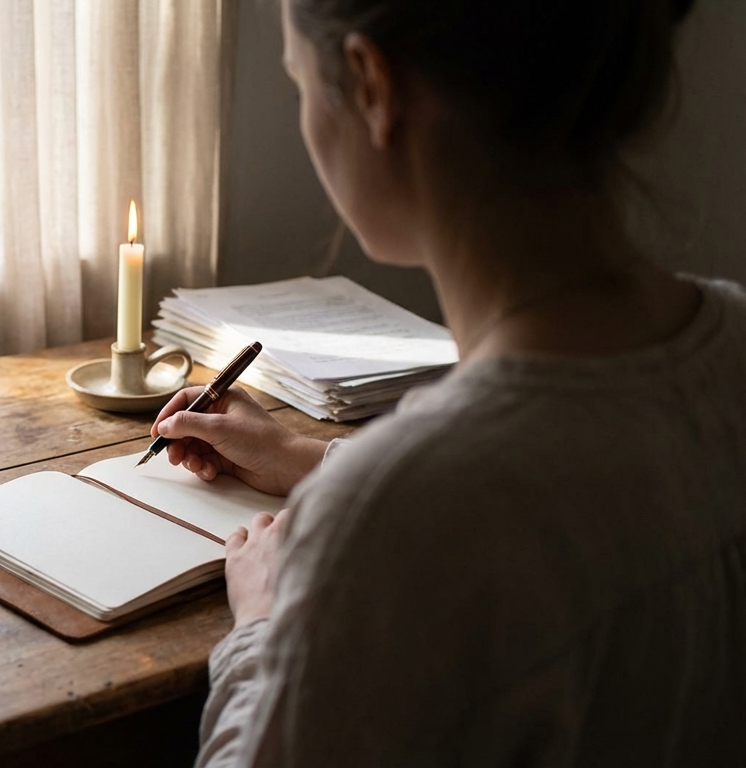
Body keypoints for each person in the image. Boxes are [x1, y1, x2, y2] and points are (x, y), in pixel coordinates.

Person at [149, 0, 746, 764]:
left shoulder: (402, 514)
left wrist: (264, 628)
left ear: (371, 85)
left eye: (299, 82)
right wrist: (308, 460)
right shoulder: (727, 345)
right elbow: (572, 479)